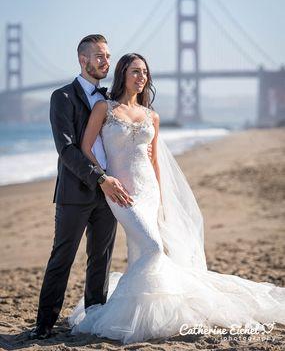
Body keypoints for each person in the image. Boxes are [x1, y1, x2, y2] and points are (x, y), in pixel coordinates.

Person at [69, 53, 285, 344]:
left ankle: (140, 312)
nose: (141, 77)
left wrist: (162, 201)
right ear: (122, 74)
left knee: (140, 253)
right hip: (120, 192)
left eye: (144, 72)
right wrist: (104, 179)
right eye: (135, 71)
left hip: (149, 191)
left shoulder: (151, 116)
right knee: (154, 248)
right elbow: (85, 147)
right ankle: (135, 311)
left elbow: (155, 161)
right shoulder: (104, 108)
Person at [29, 35, 138, 340]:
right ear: (83, 59)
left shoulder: (110, 100)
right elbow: (66, 150)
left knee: (101, 259)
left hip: (109, 195)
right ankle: (44, 325)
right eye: (99, 56)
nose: (106, 62)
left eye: (107, 56)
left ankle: (94, 317)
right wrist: (100, 179)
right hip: (76, 193)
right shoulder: (61, 97)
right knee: (62, 257)